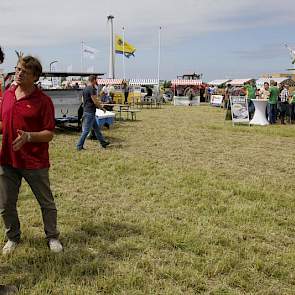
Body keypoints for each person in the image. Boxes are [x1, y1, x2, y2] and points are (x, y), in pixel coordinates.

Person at [0, 54, 63, 255]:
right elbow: (3, 123)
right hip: (8, 160)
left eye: (24, 72)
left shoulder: (43, 101)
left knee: (46, 202)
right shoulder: (7, 94)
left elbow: (49, 134)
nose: (18, 74)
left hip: (34, 161)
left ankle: (52, 236)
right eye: (17, 69)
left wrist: (28, 136)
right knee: (6, 204)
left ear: (35, 76)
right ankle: (13, 237)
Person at [76, 75, 109, 150]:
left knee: (96, 129)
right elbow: (95, 101)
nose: (96, 81)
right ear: (93, 80)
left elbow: (83, 100)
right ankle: (79, 146)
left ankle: (103, 142)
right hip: (90, 112)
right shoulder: (92, 89)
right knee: (86, 130)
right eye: (96, 80)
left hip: (87, 111)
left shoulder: (85, 89)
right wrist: (102, 108)